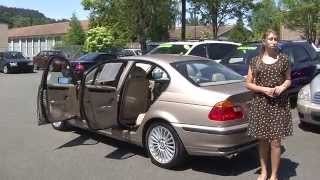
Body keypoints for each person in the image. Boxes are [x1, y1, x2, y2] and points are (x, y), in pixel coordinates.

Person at [245, 29, 293, 180]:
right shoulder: (255, 61)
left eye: (275, 39)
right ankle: (264, 171)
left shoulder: (284, 59)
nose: (274, 41)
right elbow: (248, 84)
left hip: (278, 104)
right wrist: (263, 89)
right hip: (261, 104)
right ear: (264, 41)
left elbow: (288, 79)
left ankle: (274, 175)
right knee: (263, 140)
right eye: (271, 39)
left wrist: (282, 87)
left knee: (276, 141)